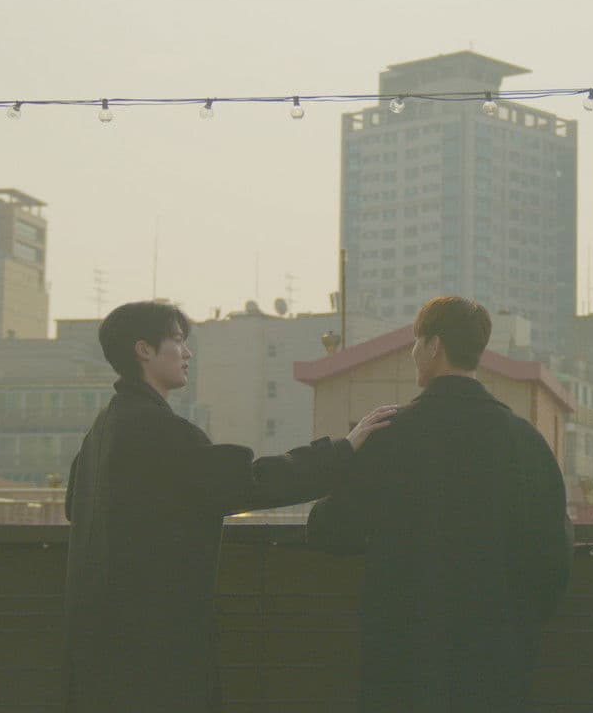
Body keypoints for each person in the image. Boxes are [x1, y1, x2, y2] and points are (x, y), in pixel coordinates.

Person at [64, 301, 396, 713]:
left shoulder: (104, 427)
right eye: (178, 341)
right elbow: (249, 483)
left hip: (98, 641)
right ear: (143, 349)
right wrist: (342, 451)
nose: (187, 352)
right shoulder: (158, 430)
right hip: (153, 642)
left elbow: (75, 505)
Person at [308, 296, 573, 712]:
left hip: (404, 653)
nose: (414, 352)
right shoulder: (524, 441)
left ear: (434, 346)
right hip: (496, 655)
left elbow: (330, 529)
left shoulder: (389, 436)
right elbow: (553, 552)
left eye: (417, 342)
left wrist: (345, 456)